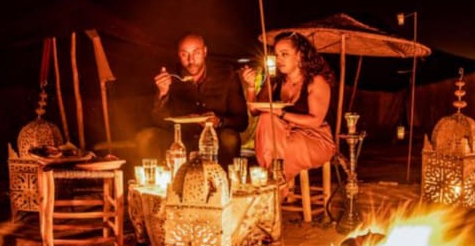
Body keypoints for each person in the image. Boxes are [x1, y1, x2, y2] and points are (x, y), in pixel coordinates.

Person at [135, 32, 248, 168]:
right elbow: (158, 121)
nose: (191, 60)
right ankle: (154, 185)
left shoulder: (226, 75)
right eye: (184, 54)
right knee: (146, 137)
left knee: (230, 138)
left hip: (214, 139)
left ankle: (227, 183)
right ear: (179, 55)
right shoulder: (170, 77)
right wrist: (162, 94)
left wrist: (219, 121)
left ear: (205, 51)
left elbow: (242, 122)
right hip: (180, 138)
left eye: (196, 53)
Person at [240, 31, 336, 184]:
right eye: (276, 55)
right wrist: (251, 87)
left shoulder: (316, 81)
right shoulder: (275, 81)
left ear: (300, 55)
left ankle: (274, 184)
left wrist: (282, 114)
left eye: (284, 54)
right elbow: (255, 110)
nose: (279, 60)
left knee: (288, 146)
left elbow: (315, 121)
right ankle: (276, 180)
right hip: (284, 134)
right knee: (266, 119)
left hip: (315, 137)